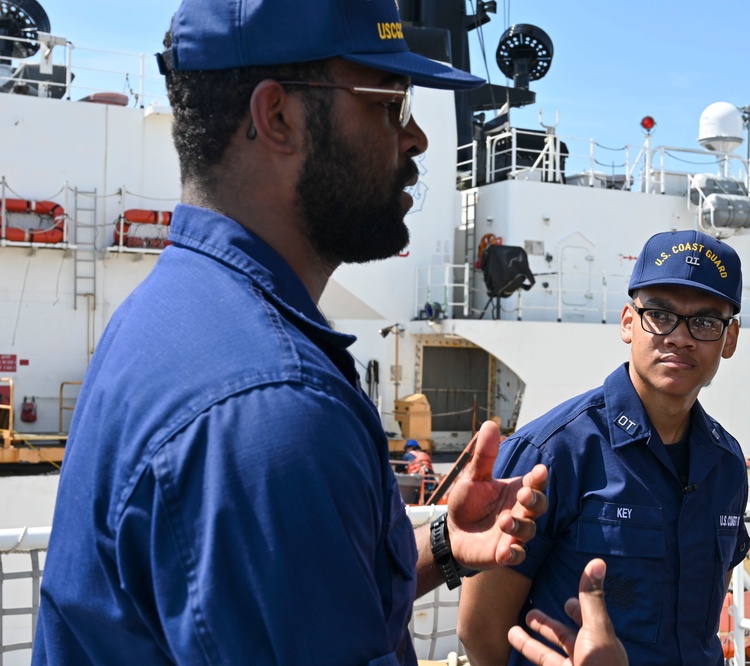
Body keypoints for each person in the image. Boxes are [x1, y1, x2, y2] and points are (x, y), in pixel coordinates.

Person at [31, 1, 553, 664]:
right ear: (278, 117)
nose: (416, 136)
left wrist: (444, 541)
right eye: (389, 101)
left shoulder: (173, 315)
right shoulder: (273, 408)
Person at [459, 229, 750, 665]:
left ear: (729, 339)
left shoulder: (726, 464)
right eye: (660, 315)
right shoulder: (552, 453)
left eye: (706, 322)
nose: (680, 337)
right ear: (628, 323)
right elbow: (480, 629)